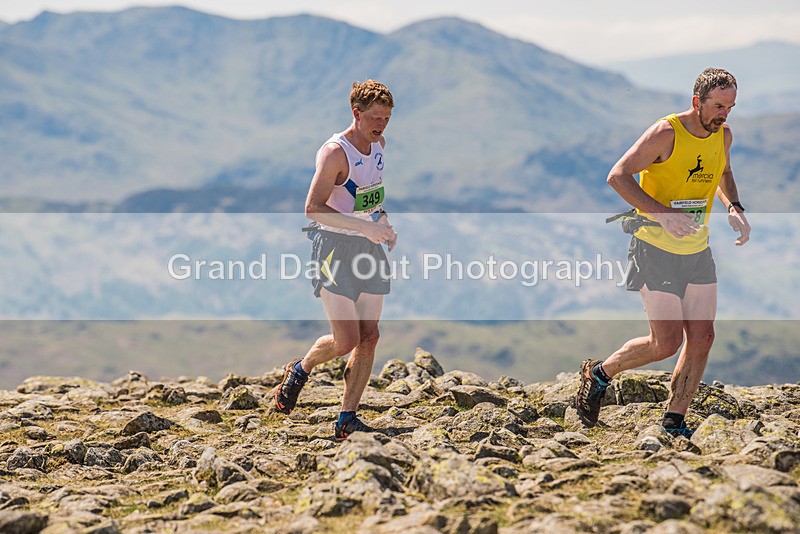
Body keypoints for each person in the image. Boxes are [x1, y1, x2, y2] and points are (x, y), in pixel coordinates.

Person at [576, 68, 751, 437]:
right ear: (696, 102)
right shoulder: (666, 133)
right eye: (718, 106)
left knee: (702, 337)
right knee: (666, 343)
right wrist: (664, 214)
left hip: (697, 249)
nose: (724, 115)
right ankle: (599, 374)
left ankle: (674, 422)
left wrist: (734, 206)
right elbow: (618, 176)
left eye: (730, 107)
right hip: (654, 248)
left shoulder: (724, 135)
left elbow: (723, 172)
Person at [273, 80, 397, 441]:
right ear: (356, 113)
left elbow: (370, 197)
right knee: (346, 340)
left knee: (369, 336)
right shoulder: (335, 153)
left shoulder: (378, 146)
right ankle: (301, 367)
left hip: (369, 247)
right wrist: (363, 227)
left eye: (387, 118)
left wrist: (383, 224)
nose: (381, 126)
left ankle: (347, 418)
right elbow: (313, 208)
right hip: (332, 249)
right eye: (375, 117)